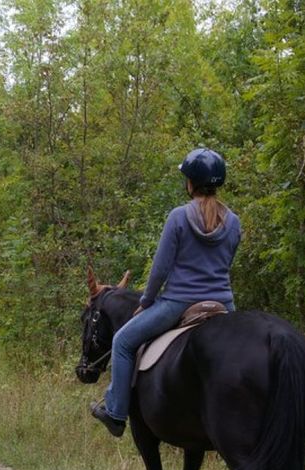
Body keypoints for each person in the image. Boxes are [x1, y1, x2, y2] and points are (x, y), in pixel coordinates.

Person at [91, 148, 241, 437]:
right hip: (223, 303)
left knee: (122, 342)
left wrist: (146, 302)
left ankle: (116, 412)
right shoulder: (233, 221)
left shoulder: (179, 217)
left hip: (179, 302)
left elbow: (160, 269)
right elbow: (227, 263)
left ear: (190, 182)